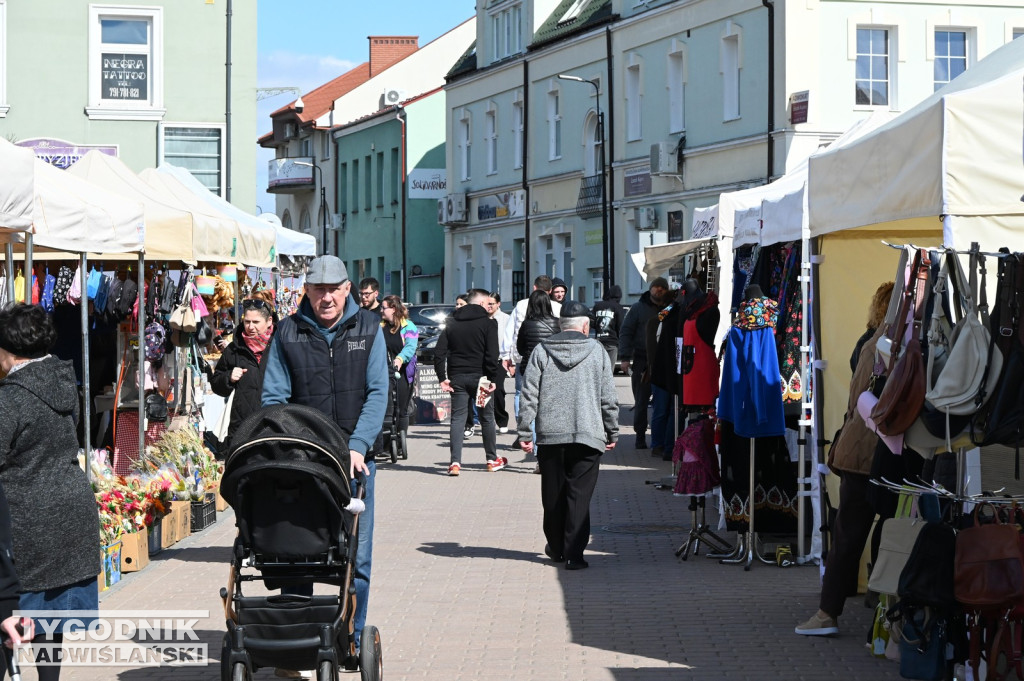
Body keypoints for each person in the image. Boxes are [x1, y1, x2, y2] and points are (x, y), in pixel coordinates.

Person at [262, 256, 388, 662]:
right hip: (305, 463)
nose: (327, 297)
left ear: (347, 289)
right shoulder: (288, 332)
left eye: (334, 289)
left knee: (356, 558)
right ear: (307, 292)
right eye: (318, 290)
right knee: (297, 554)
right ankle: (295, 647)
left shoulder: (369, 329)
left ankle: (350, 637)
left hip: (354, 462)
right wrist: (293, 449)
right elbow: (275, 400)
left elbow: (377, 393)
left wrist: (359, 444)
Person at [0, 303, 99, 681]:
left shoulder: (11, 399)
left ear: (9, 351)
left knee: (14, 616)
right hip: (69, 511)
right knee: (49, 622)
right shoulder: (59, 379)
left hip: (28, 519)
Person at [795, 282, 899, 638]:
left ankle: (834, 611)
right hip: (876, 451)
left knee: (857, 532)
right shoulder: (887, 345)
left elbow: (858, 399)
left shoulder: (874, 340)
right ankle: (834, 611)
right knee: (864, 532)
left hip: (867, 450)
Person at [518, 301, 618, 570]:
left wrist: (525, 430)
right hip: (588, 435)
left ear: (560, 325)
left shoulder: (542, 350)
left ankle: (557, 547)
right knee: (579, 495)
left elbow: (528, 394)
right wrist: (612, 430)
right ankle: (575, 554)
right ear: (585, 326)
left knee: (553, 494)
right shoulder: (597, 351)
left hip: (551, 435)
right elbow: (608, 396)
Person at [434, 289, 503, 476]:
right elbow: (492, 355)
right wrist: (492, 378)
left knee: (457, 419)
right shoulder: (489, 324)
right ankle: (491, 459)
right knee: (486, 418)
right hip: (481, 379)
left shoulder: (452, 322)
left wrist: (442, 377)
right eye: (487, 303)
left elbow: (439, 352)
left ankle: (455, 463)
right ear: (480, 304)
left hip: (457, 377)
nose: (489, 307)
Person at [502, 276, 562, 448]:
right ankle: (545, 440)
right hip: (551, 362)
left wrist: (507, 356)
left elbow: (511, 331)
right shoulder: (558, 308)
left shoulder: (521, 305)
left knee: (521, 394)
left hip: (525, 359)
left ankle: (524, 428)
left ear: (534, 287)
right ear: (550, 290)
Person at [211, 297, 276, 449]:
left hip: (275, 424)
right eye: (247, 322)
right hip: (242, 427)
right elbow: (216, 384)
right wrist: (228, 378)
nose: (250, 327)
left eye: (256, 322)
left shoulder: (279, 347)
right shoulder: (234, 349)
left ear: (269, 321)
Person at [618, 277, 671, 449]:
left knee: (664, 403)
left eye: (662, 288)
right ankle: (640, 436)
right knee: (641, 401)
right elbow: (626, 332)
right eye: (656, 287)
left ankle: (660, 440)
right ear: (650, 289)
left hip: (664, 362)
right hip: (642, 361)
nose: (659, 290)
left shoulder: (671, 308)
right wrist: (625, 358)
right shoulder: (638, 308)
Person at [380, 295, 419, 440]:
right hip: (384, 370)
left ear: (393, 309)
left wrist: (400, 359)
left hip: (403, 371)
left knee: (401, 407)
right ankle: (385, 438)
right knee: (386, 406)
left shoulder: (408, 326)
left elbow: (410, 347)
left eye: (384, 308)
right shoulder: (381, 327)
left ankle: (401, 435)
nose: (381, 311)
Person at [486, 292, 511, 434]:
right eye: (487, 304)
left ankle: (502, 420)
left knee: (498, 390)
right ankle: (486, 421)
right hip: (485, 360)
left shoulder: (506, 319)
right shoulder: (483, 319)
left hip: (500, 360)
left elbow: (511, 339)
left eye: (492, 304)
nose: (489, 307)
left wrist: (511, 361)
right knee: (484, 390)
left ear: (498, 304)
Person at [590, 284, 625, 366]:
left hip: (598, 341)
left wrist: (598, 327)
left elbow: (591, 322)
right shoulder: (618, 307)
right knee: (609, 370)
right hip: (612, 342)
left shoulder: (597, 306)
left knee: (599, 368)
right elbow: (621, 326)